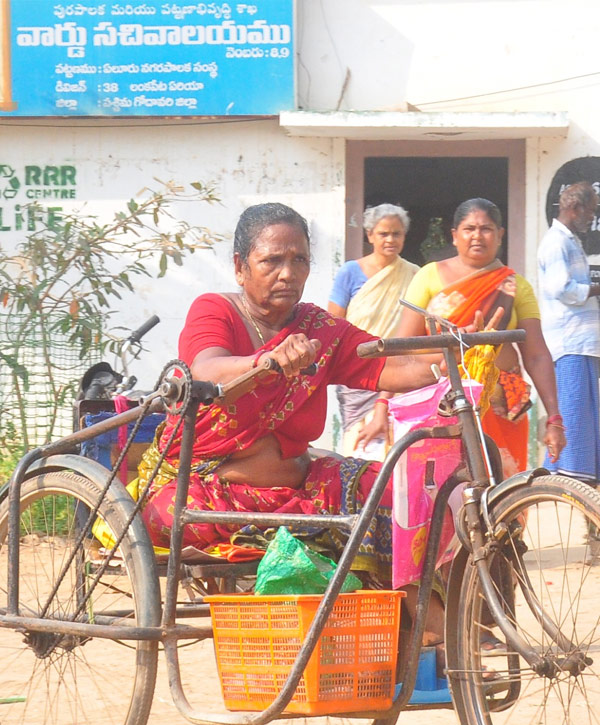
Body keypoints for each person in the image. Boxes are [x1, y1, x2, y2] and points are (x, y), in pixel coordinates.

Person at [140, 202, 480, 647]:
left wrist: (446, 351)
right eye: (272, 260)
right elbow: (206, 368)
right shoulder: (214, 311)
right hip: (210, 490)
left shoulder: (319, 329)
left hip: (303, 486)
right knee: (179, 522)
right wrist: (265, 362)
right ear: (241, 268)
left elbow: (389, 364)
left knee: (400, 495)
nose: (287, 273)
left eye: (299, 260)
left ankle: (434, 631)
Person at [360, 198, 566, 477]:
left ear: (500, 235)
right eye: (469, 228)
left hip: (501, 406)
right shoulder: (428, 276)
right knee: (438, 492)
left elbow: (537, 354)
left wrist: (554, 418)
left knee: (500, 497)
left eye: (486, 228)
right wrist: (382, 405)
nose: (477, 236)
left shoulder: (515, 286)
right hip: (439, 402)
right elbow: (402, 349)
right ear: (455, 236)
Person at [327, 204, 419, 460]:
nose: (390, 240)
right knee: (359, 447)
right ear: (370, 236)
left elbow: (418, 330)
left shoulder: (415, 275)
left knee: (399, 450)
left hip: (401, 374)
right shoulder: (350, 272)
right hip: (358, 373)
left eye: (396, 234)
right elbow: (334, 324)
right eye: (383, 234)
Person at [537, 182, 600, 485]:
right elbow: (563, 289)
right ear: (575, 208)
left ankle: (582, 483)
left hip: (583, 344)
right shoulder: (555, 243)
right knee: (572, 418)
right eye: (591, 211)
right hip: (568, 344)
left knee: (585, 420)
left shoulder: (570, 241)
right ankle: (564, 481)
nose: (592, 218)